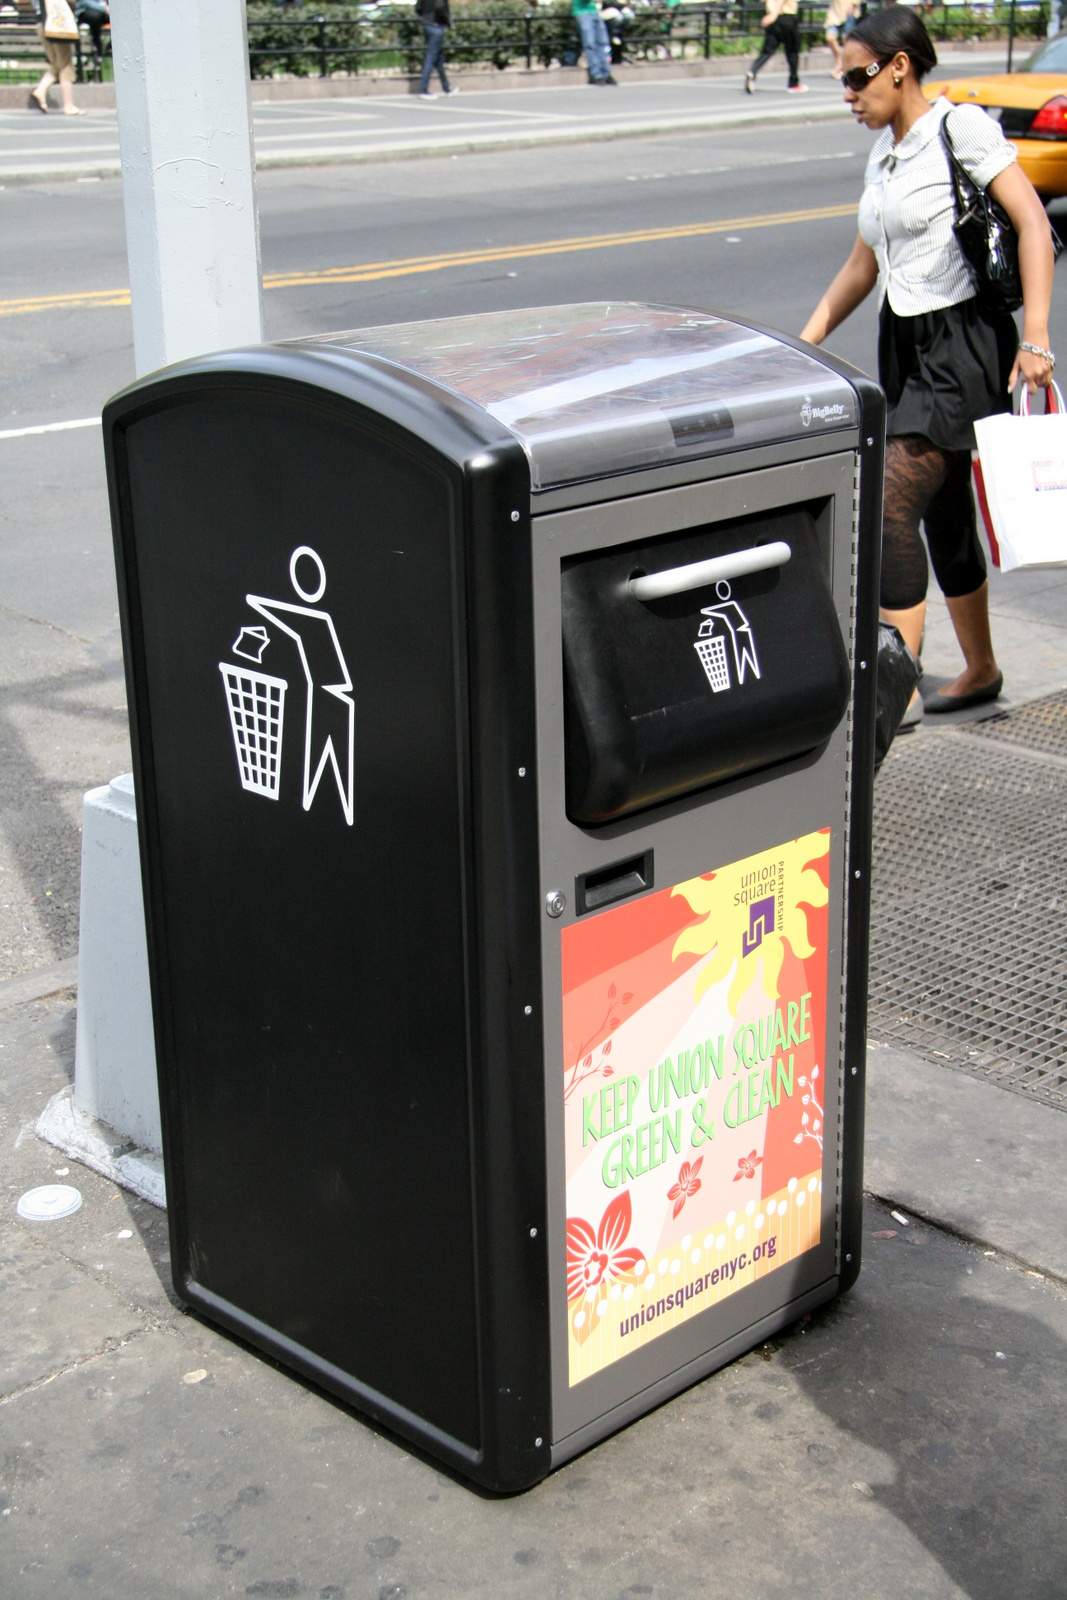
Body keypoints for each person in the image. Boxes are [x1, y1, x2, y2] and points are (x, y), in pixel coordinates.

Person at [800, 7, 1056, 717]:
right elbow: (864, 261)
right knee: (941, 514)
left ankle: (895, 686)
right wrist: (807, 336)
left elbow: (1032, 222)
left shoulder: (958, 129)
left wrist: (1034, 334)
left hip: (963, 343)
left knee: (889, 504)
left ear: (898, 66)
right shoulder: (883, 152)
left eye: (855, 77)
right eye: (840, 80)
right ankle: (979, 667)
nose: (847, 92)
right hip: (904, 343)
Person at [30, 0, 85, 115]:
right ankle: (68, 105)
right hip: (57, 22)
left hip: (41, 23)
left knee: (57, 63)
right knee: (65, 64)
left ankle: (41, 90)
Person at [745, 0, 807, 95]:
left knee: (767, 51)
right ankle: (793, 83)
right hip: (785, 17)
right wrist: (774, 14)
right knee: (792, 51)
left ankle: (753, 71)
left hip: (772, 21)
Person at [416, 0, 458, 99]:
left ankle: (447, 88)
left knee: (438, 58)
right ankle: (423, 89)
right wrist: (446, 20)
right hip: (436, 25)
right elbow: (440, 7)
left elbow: (418, 8)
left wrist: (425, 15)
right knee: (431, 57)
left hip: (426, 24)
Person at [572, 0, 617, 86]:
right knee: (590, 44)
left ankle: (606, 72)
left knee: (604, 43)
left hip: (595, 12)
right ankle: (596, 74)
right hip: (582, 13)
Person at [824, 0, 856, 79]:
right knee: (830, 37)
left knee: (846, 41)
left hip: (849, 10)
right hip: (835, 13)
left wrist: (853, 4)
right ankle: (840, 60)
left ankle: (844, 66)